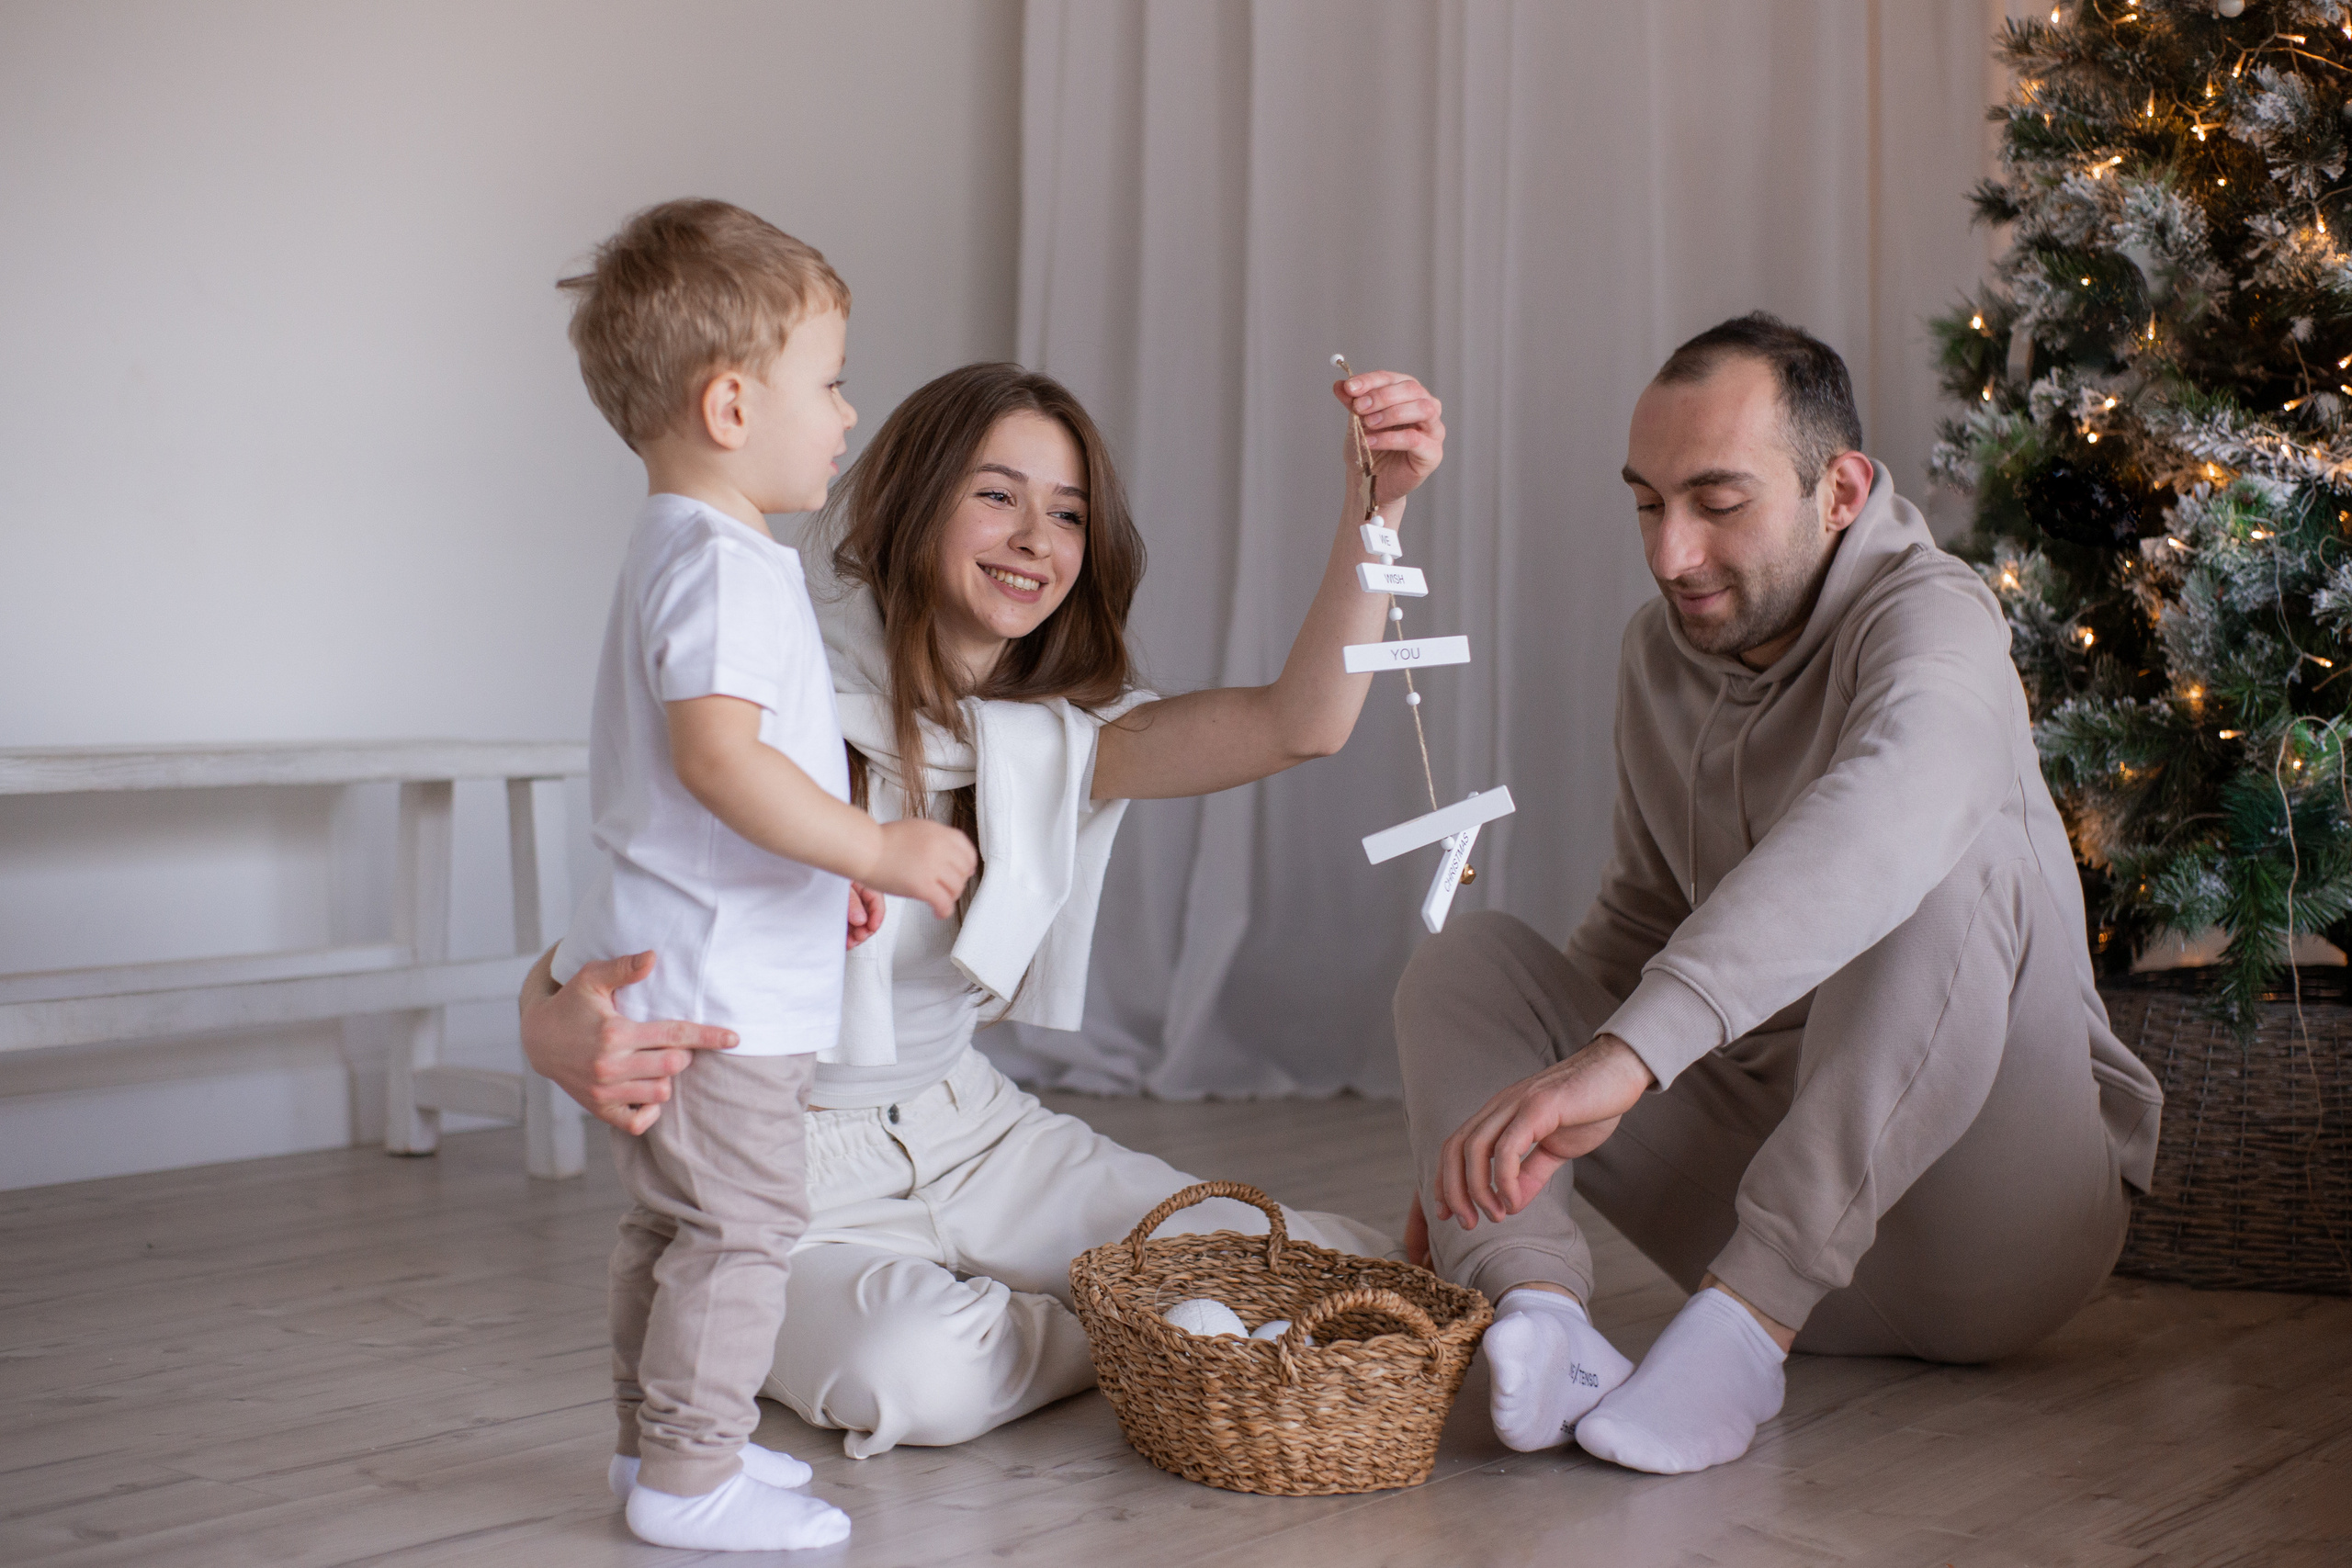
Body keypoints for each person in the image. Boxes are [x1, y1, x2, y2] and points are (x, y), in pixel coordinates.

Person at [523, 356, 1449, 1458]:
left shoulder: (1056, 738)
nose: (1036, 539)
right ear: (916, 500)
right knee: (920, 1374)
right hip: (786, 1167)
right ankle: (1148, 1327)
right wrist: (547, 1019)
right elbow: (631, 906)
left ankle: (1161, 1315)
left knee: (1310, 1260)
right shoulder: (780, 684)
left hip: (974, 1127)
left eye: (1067, 513)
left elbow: (1304, 722)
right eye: (997, 495)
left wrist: (1376, 504)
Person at [1401, 312, 2165, 1476]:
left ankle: (1751, 1325)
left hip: (1994, 1232)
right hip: (1752, 1180)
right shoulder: (1658, 654)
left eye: (1717, 502)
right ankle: (1542, 1322)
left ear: (1842, 489)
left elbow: (1897, 805)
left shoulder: (1935, 615)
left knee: (1947, 845)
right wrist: (1493, 1140)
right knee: (1465, 962)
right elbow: (1641, 921)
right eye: (1648, 503)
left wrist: (1631, 1056)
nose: (1670, 554)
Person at [551, 198, 978, 1551]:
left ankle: (655, 1452)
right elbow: (723, 761)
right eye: (831, 381)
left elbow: (738, 775)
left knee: (671, 1232)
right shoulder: (726, 564)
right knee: (740, 1234)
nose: (848, 414)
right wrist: (875, 846)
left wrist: (815, 871)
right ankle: (692, 1477)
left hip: (684, 962)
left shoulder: (691, 550)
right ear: (732, 404)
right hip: (721, 992)